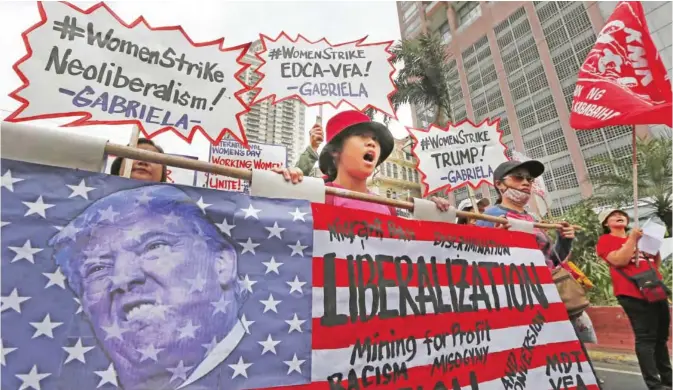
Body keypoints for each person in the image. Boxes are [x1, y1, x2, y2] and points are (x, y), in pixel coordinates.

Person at [49, 185, 247, 389]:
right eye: (97, 268)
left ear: (223, 263)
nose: (122, 278)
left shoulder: (275, 374)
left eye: (154, 246)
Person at [272, 110, 450, 214]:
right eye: (361, 136)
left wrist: (435, 214)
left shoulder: (389, 208)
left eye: (375, 139)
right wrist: (283, 184)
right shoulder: (318, 197)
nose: (372, 143)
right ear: (335, 151)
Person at [596, 208, 672, 390]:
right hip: (631, 293)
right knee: (646, 337)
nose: (619, 216)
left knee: (661, 337)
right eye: (612, 215)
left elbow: (654, 263)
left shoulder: (638, 239)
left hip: (654, 289)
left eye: (621, 214)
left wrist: (652, 244)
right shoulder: (606, 240)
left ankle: (668, 379)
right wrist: (632, 240)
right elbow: (619, 260)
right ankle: (654, 384)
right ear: (606, 223)